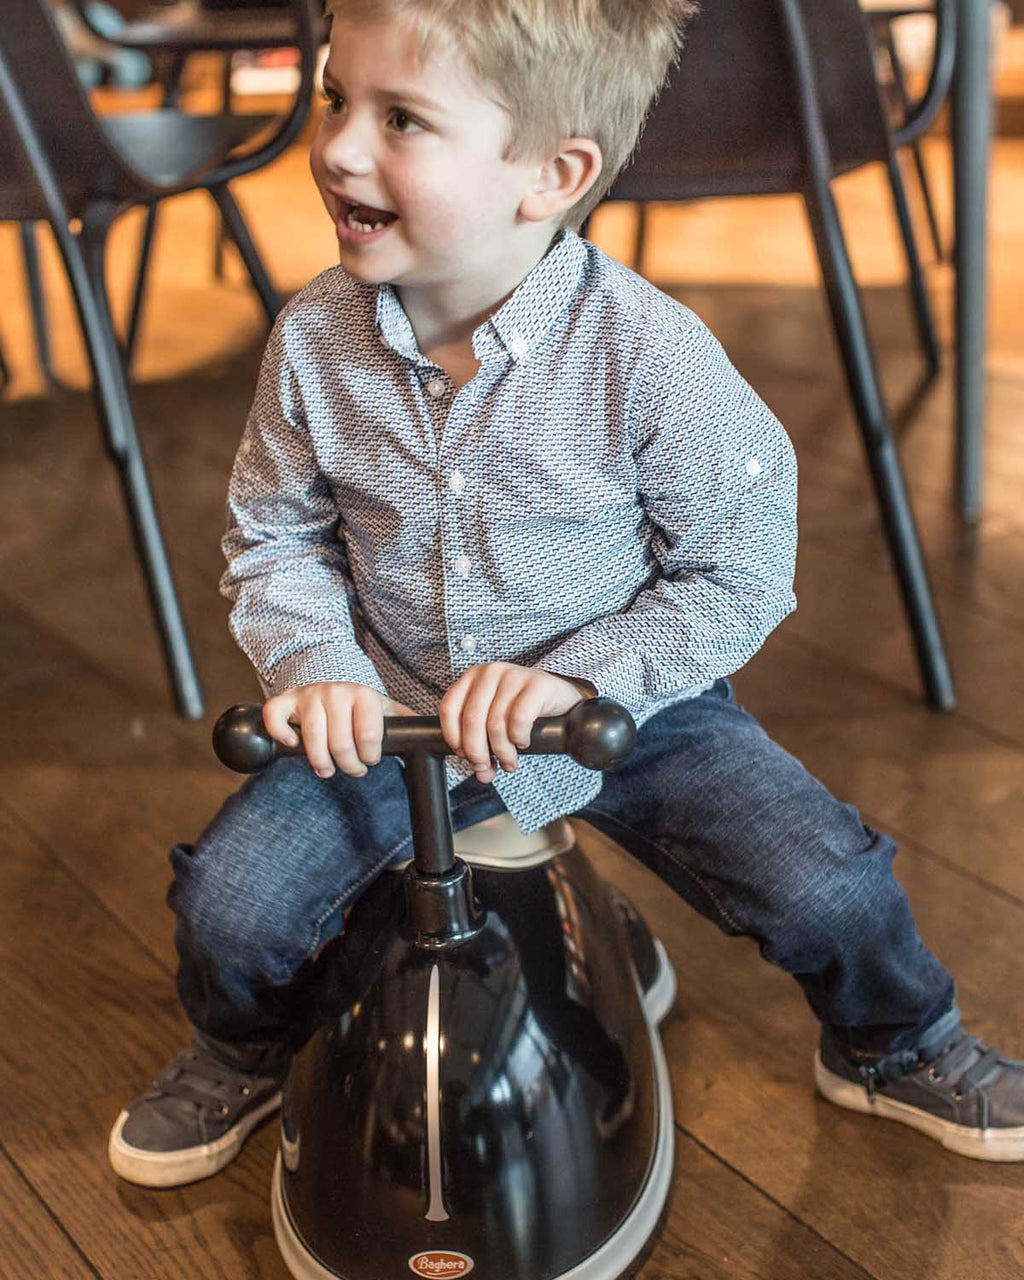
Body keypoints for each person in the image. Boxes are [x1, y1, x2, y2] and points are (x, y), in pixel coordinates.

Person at [108, 0, 1024, 1188]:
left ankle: (895, 1042)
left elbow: (738, 565)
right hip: (388, 707)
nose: (334, 145)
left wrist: (585, 674)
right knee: (232, 906)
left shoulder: (649, 354)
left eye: (400, 118)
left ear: (553, 173)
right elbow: (274, 535)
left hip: (619, 708)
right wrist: (314, 666)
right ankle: (243, 1046)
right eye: (336, 96)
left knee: (825, 877)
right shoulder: (310, 342)